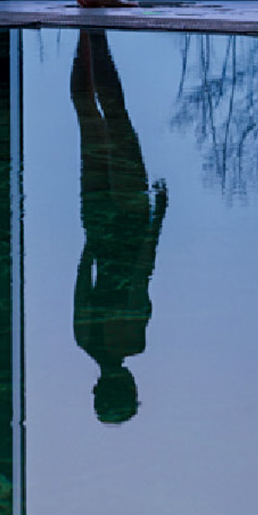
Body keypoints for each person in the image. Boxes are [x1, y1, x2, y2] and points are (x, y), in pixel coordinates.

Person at [70, 30, 168, 423]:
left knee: (114, 113)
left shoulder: (133, 340)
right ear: (97, 389)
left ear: (129, 386)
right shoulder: (84, 339)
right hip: (97, 223)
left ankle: (94, 35)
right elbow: (82, 275)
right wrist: (91, 235)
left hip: (128, 220)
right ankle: (85, 38)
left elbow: (141, 274)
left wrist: (158, 218)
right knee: (86, 111)